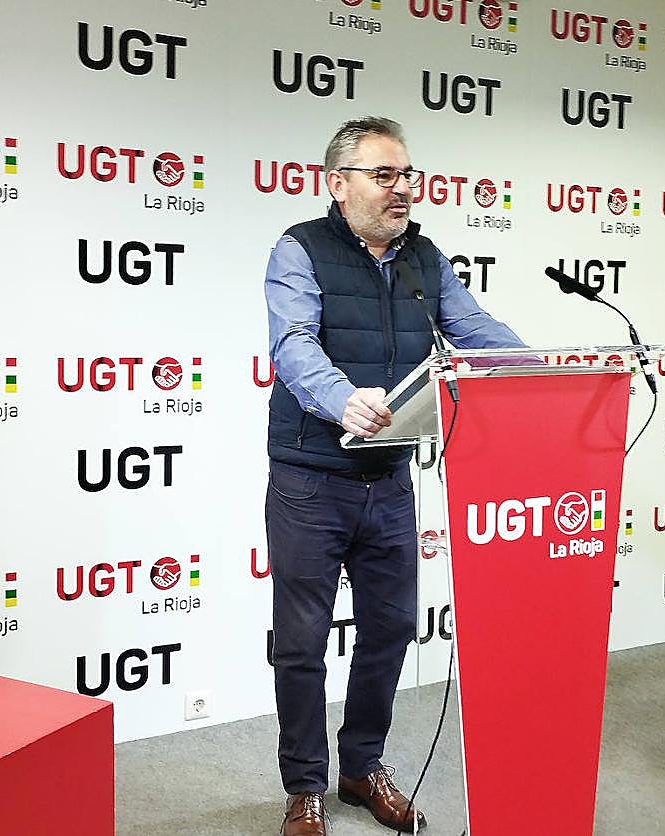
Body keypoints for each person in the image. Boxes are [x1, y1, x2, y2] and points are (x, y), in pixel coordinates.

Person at [264, 116, 524, 836]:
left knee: (391, 628)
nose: (403, 188)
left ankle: (360, 767)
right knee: (302, 642)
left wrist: (540, 367)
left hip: (390, 479)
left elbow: (474, 328)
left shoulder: (424, 258)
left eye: (407, 174)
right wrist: (340, 396)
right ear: (337, 185)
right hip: (310, 479)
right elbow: (293, 345)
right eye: (385, 175)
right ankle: (304, 786)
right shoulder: (300, 250)